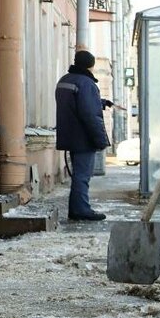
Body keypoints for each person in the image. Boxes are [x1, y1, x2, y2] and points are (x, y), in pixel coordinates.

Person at [55, 50, 111, 222]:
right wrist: (100, 140)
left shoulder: (65, 80)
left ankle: (77, 209)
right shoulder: (87, 83)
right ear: (91, 65)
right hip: (83, 137)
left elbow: (75, 104)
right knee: (82, 175)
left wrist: (100, 102)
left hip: (69, 134)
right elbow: (89, 114)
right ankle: (81, 210)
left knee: (78, 174)